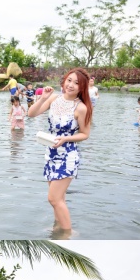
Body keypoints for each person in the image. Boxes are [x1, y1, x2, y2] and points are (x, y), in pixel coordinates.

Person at [26, 68, 93, 235]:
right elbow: (31, 114)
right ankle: (58, 228)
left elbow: (85, 134)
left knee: (53, 198)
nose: (71, 85)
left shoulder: (81, 108)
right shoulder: (54, 99)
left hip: (67, 155)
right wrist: (42, 99)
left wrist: (65, 139)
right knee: (58, 199)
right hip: (51, 153)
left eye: (76, 83)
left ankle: (67, 232)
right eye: (69, 80)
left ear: (82, 87)